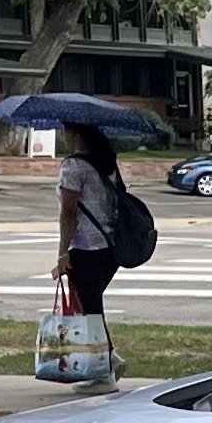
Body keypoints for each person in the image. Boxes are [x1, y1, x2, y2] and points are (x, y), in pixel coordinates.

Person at [56, 120, 128, 367]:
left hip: (86, 248)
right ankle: (106, 359)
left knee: (90, 311)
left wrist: (62, 253)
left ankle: (105, 364)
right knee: (91, 306)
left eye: (65, 131)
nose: (62, 136)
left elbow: (68, 212)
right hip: (109, 247)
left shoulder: (73, 166)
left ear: (75, 134)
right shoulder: (107, 162)